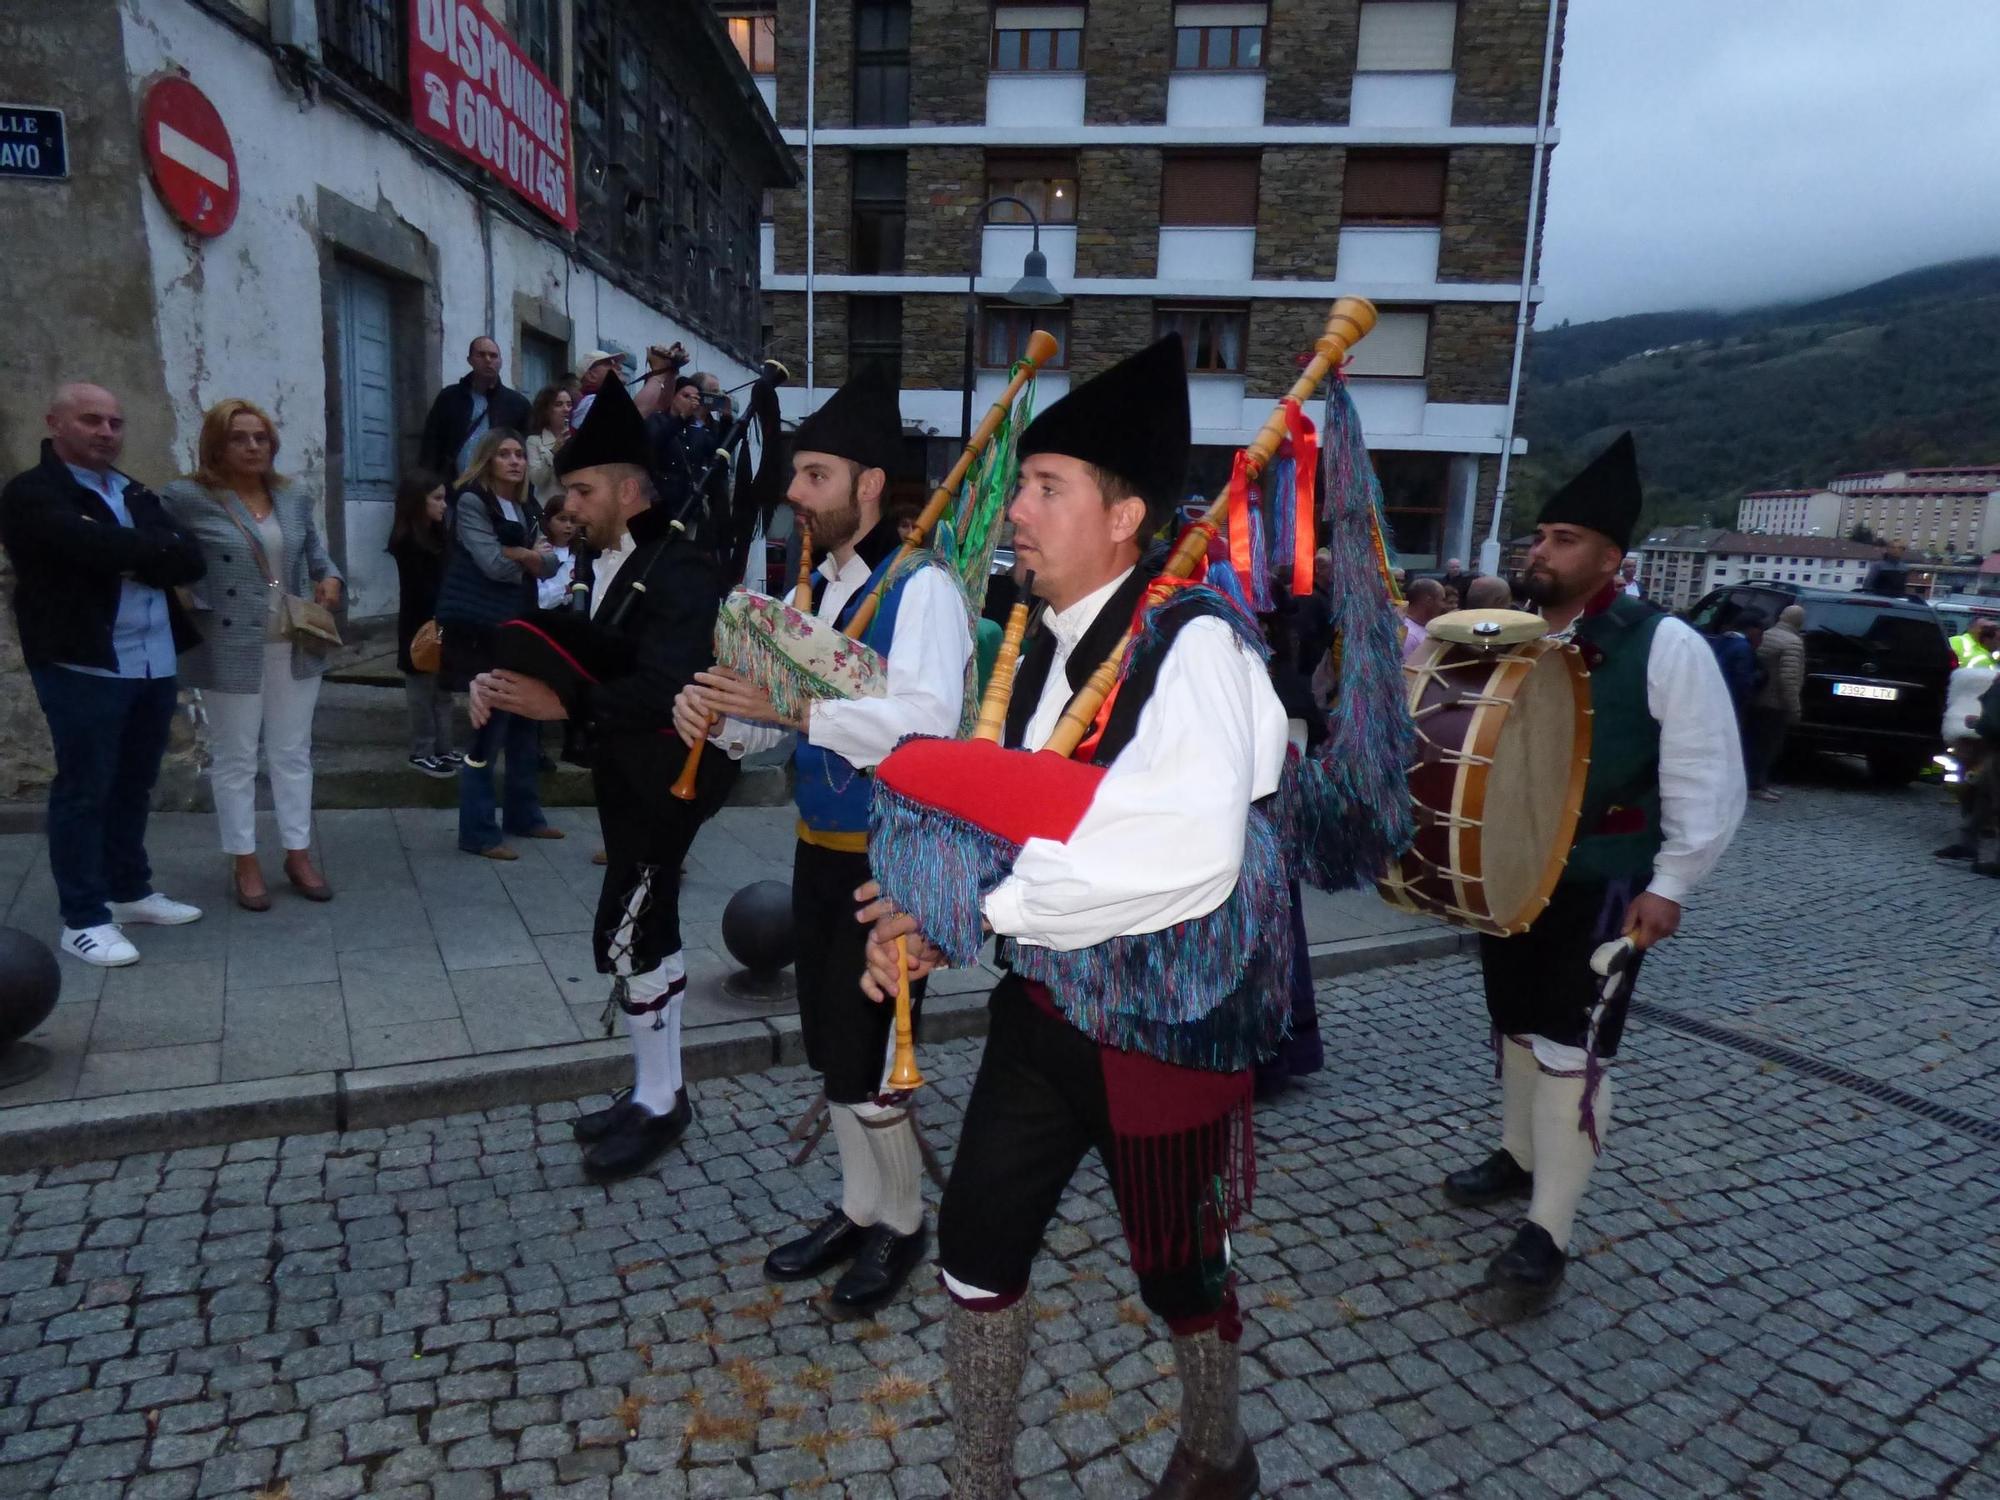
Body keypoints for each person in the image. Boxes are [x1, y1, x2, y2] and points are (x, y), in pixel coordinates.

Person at [856, 335, 1288, 1500]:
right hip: (1043, 1010)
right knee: (975, 1251)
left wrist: (973, 903)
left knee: (1179, 1268)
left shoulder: (1195, 644)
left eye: (1048, 489)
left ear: (1125, 514)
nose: (1018, 512)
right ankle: (978, 1484)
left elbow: (1177, 851)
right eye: (1023, 486)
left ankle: (1215, 1446)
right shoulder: (1041, 648)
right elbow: (1027, 831)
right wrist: (935, 919)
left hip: (1164, 1028)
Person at [673, 362, 973, 1317]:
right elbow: (782, 721)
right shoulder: (822, 588)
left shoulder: (920, 588)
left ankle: (904, 1224)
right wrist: (719, 716)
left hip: (892, 865)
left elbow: (923, 725)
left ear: (868, 485)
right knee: (837, 1054)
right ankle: (858, 1208)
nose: (795, 497)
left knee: (880, 1061)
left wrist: (793, 712)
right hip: (819, 850)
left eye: (813, 477)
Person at [1441, 433, 1744, 1298]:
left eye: (1564, 539)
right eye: (1539, 536)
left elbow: (1706, 771)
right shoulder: (1515, 637)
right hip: (1513, 874)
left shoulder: (1665, 644)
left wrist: (1673, 883)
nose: (1541, 551)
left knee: (1572, 1045)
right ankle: (1516, 1153)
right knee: (1516, 1020)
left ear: (1612, 557)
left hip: (1608, 879)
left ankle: (1549, 1232)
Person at [469, 376, 738, 1178]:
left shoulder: (681, 566)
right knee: (643, 929)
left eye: (584, 490)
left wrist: (563, 703)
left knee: (632, 927)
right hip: (632, 765)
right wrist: (498, 667)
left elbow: (667, 687)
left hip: (673, 770)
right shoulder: (617, 557)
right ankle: (654, 1091)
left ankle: (662, 1102)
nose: (572, 506)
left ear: (629, 487)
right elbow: (595, 652)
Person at [1, 383, 206, 966]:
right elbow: (78, 545)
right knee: (83, 789)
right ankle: (83, 917)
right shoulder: (31, 493)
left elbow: (189, 557)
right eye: (91, 420)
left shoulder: (132, 490)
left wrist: (127, 551)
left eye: (115, 422)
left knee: (134, 783)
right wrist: (146, 551)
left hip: (153, 659)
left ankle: (129, 890)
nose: (106, 432)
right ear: (55, 423)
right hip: (83, 660)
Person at [162, 400, 342, 910]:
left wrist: (329, 577)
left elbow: (315, 552)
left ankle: (298, 851)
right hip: (228, 644)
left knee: (292, 752)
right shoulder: (187, 497)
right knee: (236, 757)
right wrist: (187, 595)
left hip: (296, 640)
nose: (253, 446)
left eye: (261, 437)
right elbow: (162, 551)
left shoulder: (292, 495)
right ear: (216, 444)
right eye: (240, 437)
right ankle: (243, 858)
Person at [433, 429, 561, 859]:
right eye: (504, 454)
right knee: (488, 728)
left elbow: (552, 561)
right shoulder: (473, 501)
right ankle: (478, 830)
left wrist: (522, 556)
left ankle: (524, 816)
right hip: (479, 625)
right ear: (487, 460)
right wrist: (526, 557)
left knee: (525, 722)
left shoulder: (527, 505)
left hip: (518, 622)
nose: (514, 461)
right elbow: (488, 563)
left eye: (519, 455)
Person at [387, 471, 458, 778]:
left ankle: (444, 746)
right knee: (421, 692)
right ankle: (422, 750)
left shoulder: (439, 538)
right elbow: (421, 589)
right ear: (419, 502)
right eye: (437, 499)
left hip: (442, 622)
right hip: (419, 625)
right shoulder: (409, 542)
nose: (444, 506)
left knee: (443, 691)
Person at [418, 336, 532, 479]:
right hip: (452, 485)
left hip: (497, 486)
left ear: (500, 362)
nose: (488, 360)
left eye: (493, 356)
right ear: (470, 360)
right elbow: (431, 445)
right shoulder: (449, 397)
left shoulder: (517, 404)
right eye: (481, 355)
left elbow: (526, 450)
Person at [1747, 603, 1805, 802]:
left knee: (1754, 744)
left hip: (1756, 699)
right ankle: (1757, 785)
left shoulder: (1768, 635)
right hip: (1775, 704)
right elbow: (1788, 678)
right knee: (1768, 747)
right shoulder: (1793, 643)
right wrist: (1794, 708)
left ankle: (1752, 783)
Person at [648, 376, 722, 518]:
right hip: (659, 505)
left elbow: (715, 453)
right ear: (673, 397)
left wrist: (726, 419)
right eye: (685, 396)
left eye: (694, 398)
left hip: (687, 508)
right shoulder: (657, 420)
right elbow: (656, 442)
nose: (690, 401)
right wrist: (681, 418)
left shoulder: (697, 428)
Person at [523, 385, 573, 508]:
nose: (566, 409)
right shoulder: (534, 441)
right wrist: (553, 451)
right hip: (549, 507)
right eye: (559, 404)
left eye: (569, 404)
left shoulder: (577, 438)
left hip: (574, 506)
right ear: (546, 410)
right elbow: (536, 479)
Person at [536, 504, 581, 612]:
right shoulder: (540, 552)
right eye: (562, 519)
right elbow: (540, 599)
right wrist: (566, 589)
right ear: (548, 522)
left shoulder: (581, 555)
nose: (569, 525)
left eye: (573, 520)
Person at [1401, 576, 1448, 661]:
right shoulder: (1409, 636)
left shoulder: (1426, 627)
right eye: (1442, 600)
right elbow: (1408, 673)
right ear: (1429, 601)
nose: (1444, 606)